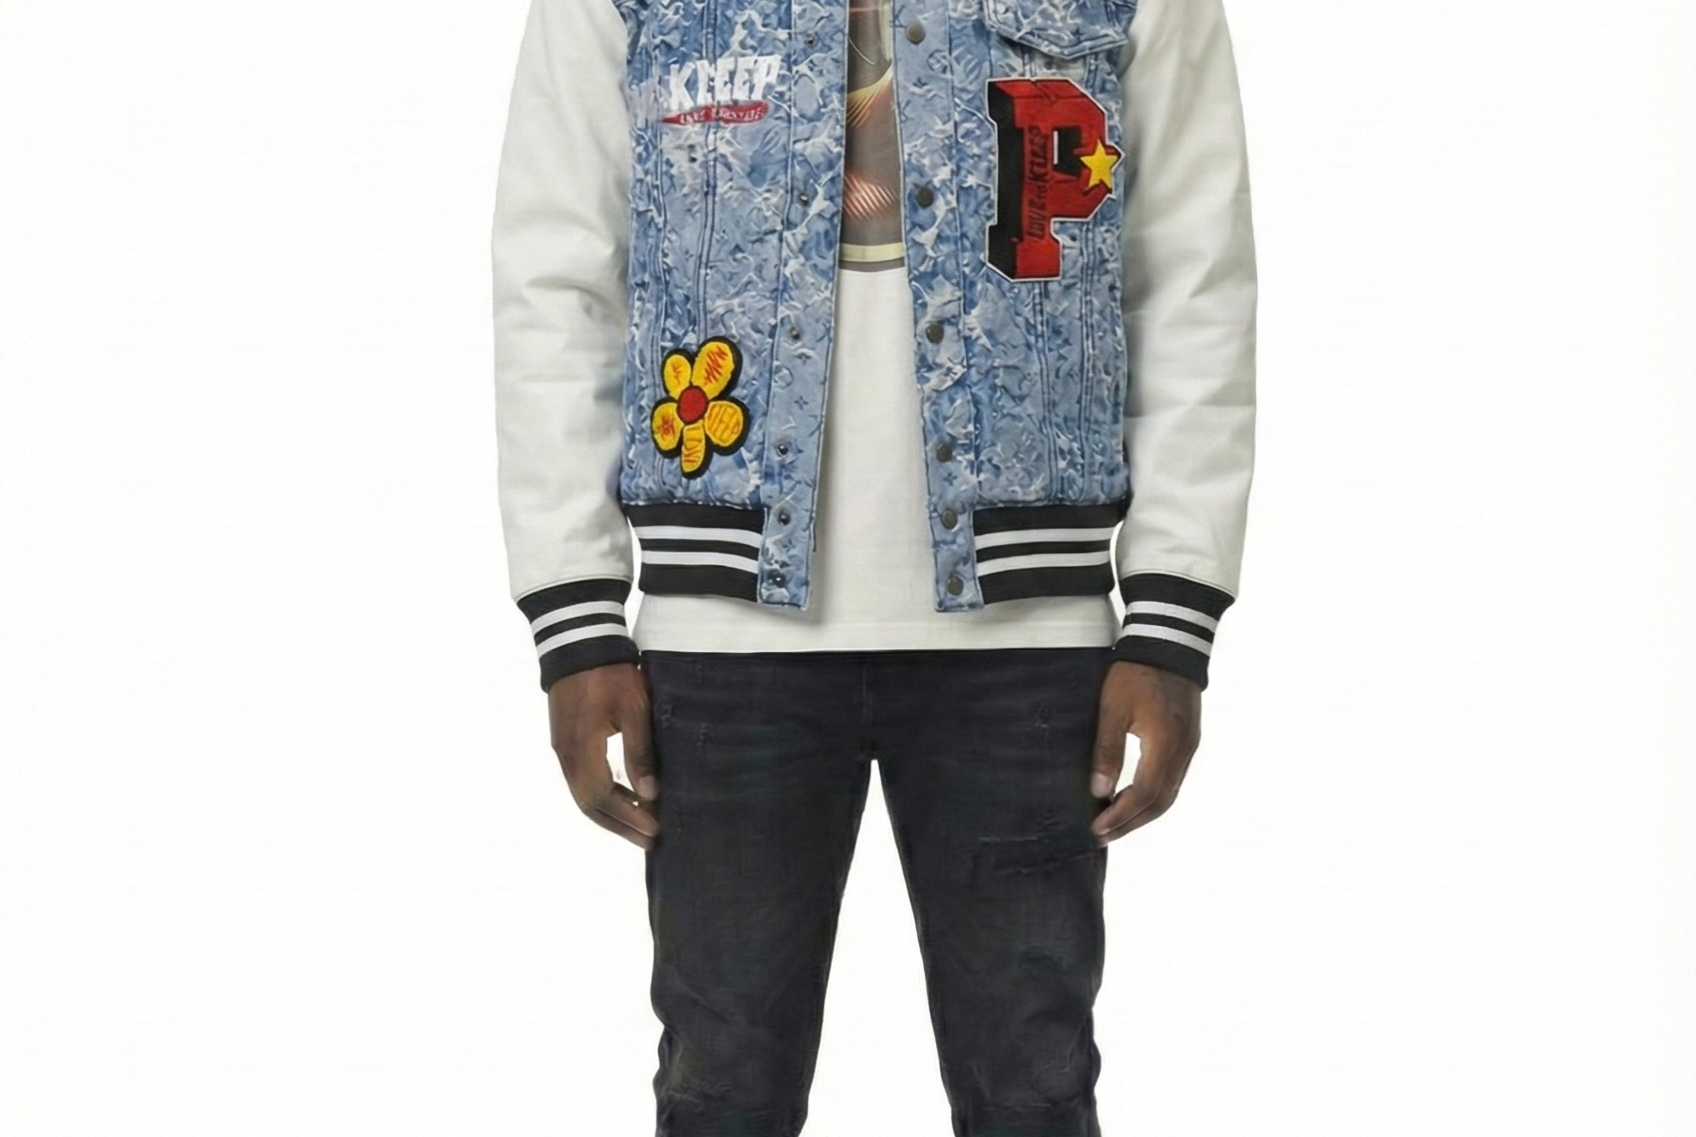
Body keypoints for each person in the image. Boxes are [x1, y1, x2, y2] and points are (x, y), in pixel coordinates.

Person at [490, 0, 1255, 1128]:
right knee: (721, 1093)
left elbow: (1193, 274)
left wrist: (1175, 612)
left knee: (1034, 1094)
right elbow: (556, 274)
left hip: (1029, 633)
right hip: (722, 630)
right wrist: (574, 611)